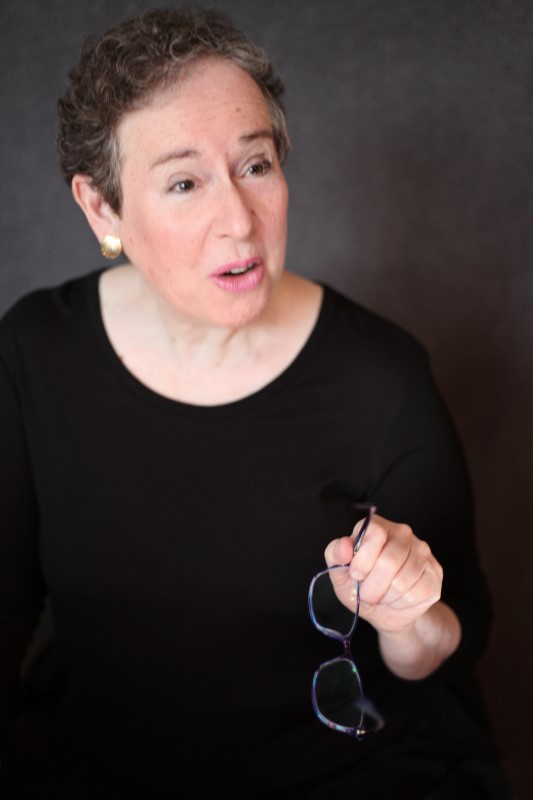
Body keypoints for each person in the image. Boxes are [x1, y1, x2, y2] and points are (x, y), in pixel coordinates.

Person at [0, 8, 512, 799]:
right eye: (184, 182)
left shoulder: (381, 375)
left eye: (255, 164)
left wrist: (407, 615)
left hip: (346, 774)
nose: (238, 221)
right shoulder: (35, 352)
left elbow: (445, 644)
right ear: (102, 209)